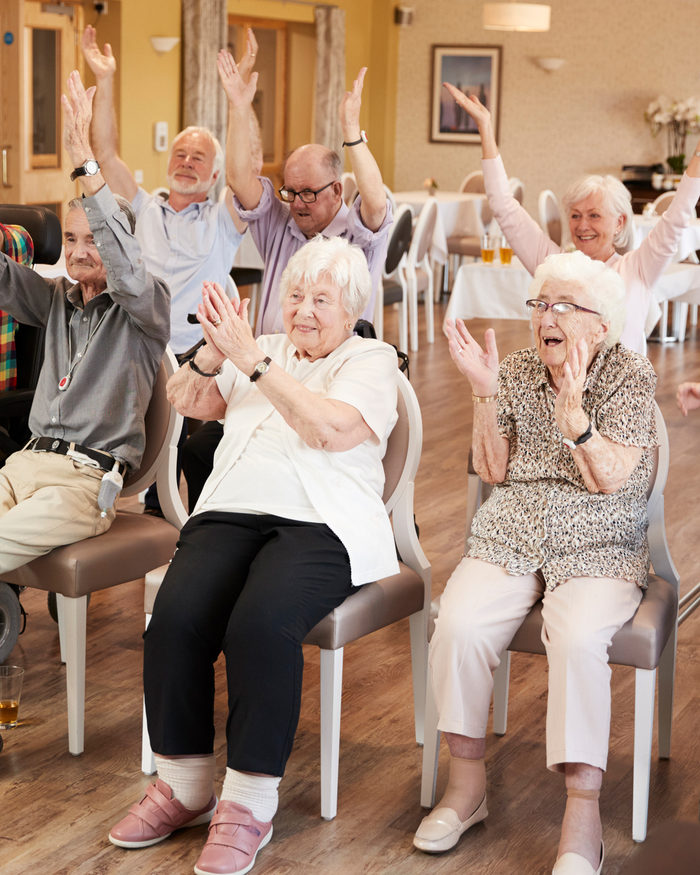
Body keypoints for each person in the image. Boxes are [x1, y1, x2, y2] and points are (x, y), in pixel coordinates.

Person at [108, 236, 399, 875]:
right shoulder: (259, 346)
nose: (303, 310)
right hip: (231, 510)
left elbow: (329, 430)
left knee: (261, 625)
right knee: (175, 617)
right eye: (295, 295)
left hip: (322, 522)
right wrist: (214, 355)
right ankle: (185, 788)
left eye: (321, 299)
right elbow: (188, 400)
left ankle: (248, 803)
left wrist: (254, 363)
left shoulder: (372, 360)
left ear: (350, 310)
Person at [414, 251, 657, 875]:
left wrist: (576, 421)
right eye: (541, 304)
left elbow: (609, 479)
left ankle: (582, 814)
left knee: (577, 639)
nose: (547, 317)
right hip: (514, 528)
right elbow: (493, 470)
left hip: (599, 538)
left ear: (601, 323)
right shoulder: (518, 369)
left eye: (564, 306)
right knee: (459, 625)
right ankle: (466, 787)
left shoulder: (628, 374)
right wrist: (483, 391)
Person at [0, 71, 169, 572]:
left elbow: (125, 268)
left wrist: (84, 159)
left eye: (92, 240)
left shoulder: (146, 307)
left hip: (85, 482)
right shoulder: (56, 298)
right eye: (71, 239)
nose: (77, 252)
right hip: (23, 465)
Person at [444, 84, 700, 355]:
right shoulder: (554, 265)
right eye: (575, 215)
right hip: (562, 381)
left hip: (623, 383)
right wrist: (485, 127)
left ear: (619, 223)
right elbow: (504, 207)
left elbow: (677, 216)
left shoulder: (638, 268)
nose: (582, 225)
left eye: (594, 215)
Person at [81, 24, 260, 356]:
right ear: (168, 164)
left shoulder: (222, 219)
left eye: (198, 157)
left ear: (216, 174)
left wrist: (239, 104)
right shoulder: (142, 207)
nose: (187, 162)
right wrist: (104, 80)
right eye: (180, 154)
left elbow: (248, 171)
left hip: (195, 354)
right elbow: (105, 155)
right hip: (137, 347)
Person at [217, 44, 392, 335]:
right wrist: (238, 106)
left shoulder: (358, 238)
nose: (297, 204)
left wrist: (351, 130)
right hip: (269, 357)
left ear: (337, 191)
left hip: (335, 362)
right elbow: (238, 178)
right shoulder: (279, 224)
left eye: (309, 193)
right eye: (291, 192)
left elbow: (376, 203)